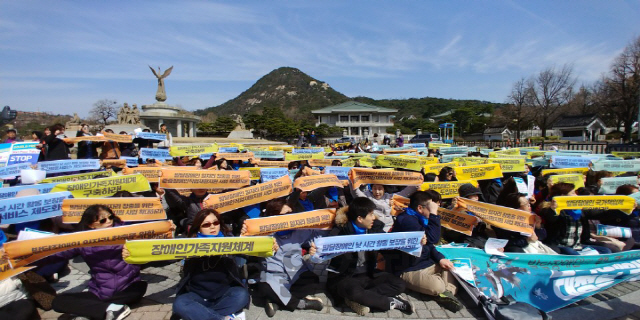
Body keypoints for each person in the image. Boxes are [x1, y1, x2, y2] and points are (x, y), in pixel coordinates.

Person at [36, 205, 149, 320]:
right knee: (58, 301)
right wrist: (31, 259)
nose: (109, 222)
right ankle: (109, 309)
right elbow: (59, 254)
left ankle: (93, 311)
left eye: (110, 217)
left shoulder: (127, 234)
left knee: (139, 288)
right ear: (91, 225)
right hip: (100, 293)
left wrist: (133, 254)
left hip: (128, 288)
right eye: (103, 220)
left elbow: (148, 252)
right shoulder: (83, 241)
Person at [326, 197, 413, 316]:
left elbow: (390, 245)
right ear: (360, 219)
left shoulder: (374, 229)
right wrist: (315, 249)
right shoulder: (340, 232)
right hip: (346, 276)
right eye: (371, 214)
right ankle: (390, 302)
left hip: (368, 274)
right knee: (353, 291)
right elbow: (325, 248)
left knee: (399, 284)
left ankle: (360, 300)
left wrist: (414, 244)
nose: (374, 217)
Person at [386, 191, 462, 312]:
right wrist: (434, 214)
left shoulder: (420, 218)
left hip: (426, 262)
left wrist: (440, 258)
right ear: (420, 208)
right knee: (438, 286)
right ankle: (443, 291)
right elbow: (434, 238)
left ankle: (445, 294)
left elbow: (430, 245)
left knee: (452, 269)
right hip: (409, 268)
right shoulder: (407, 220)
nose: (433, 210)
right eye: (430, 207)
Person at [171, 208, 248, 320]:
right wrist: (166, 239)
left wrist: (246, 239)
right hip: (197, 295)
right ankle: (221, 318)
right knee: (180, 304)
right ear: (199, 228)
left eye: (215, 223)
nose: (212, 227)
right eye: (206, 225)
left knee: (242, 295)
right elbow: (165, 258)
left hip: (224, 293)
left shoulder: (229, 240)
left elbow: (250, 253)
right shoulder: (188, 243)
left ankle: (201, 315)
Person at [254, 199, 326, 317]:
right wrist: (245, 234)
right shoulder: (262, 235)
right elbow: (248, 247)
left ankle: (276, 301)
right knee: (264, 287)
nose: (290, 217)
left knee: (312, 280)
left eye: (291, 213)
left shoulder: (298, 231)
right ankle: (301, 304)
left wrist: (326, 225)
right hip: (274, 277)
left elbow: (317, 235)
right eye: (286, 215)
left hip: (295, 272)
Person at [538, 183, 612, 255]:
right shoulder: (550, 210)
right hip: (560, 246)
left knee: (606, 250)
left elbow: (599, 213)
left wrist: (613, 207)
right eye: (573, 193)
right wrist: (553, 209)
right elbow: (551, 219)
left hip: (578, 246)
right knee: (573, 254)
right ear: (563, 196)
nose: (576, 195)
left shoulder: (580, 210)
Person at [349, 181, 419, 232]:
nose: (377, 192)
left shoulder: (390, 197)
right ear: (371, 188)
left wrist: (416, 183)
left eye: (380, 189)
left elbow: (405, 193)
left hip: (390, 228)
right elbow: (355, 192)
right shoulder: (367, 197)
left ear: (384, 189)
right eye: (374, 188)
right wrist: (352, 179)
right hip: (375, 229)